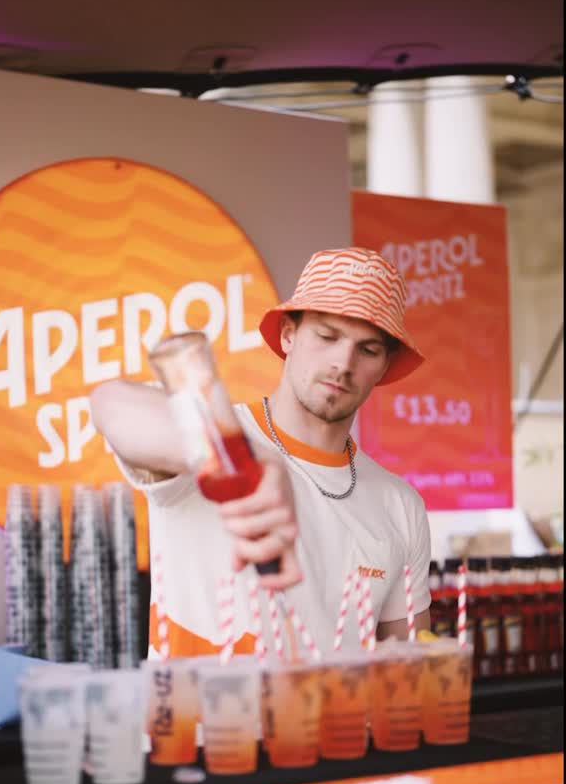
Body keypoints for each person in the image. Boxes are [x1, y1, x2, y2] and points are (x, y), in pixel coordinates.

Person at [91, 246, 431, 658]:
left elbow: (407, 670)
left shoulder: (400, 505)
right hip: (198, 720)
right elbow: (112, 403)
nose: (343, 362)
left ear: (384, 367)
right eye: (327, 336)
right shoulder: (217, 439)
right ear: (289, 335)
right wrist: (244, 459)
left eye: (368, 349)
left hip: (337, 722)